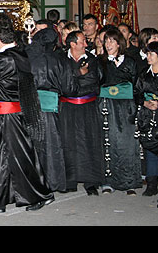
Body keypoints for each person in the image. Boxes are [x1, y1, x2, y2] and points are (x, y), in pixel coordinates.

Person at [0, 24, 54, 212]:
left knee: (5, 155)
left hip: (3, 114)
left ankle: (38, 195)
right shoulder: (19, 55)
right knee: (3, 156)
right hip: (12, 112)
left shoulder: (1, 59)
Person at [26, 26, 75, 193]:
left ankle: (32, 183)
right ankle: (53, 182)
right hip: (52, 105)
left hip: (30, 106)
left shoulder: (28, 56)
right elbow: (69, 87)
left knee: (31, 145)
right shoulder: (60, 60)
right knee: (52, 145)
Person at [59, 31, 104, 195]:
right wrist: (79, 75)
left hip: (87, 107)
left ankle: (91, 181)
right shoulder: (61, 59)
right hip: (67, 108)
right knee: (67, 143)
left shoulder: (92, 60)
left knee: (89, 143)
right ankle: (70, 179)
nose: (86, 44)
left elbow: (94, 80)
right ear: (72, 44)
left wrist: (74, 82)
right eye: (83, 41)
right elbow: (61, 83)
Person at [98, 28, 141, 194]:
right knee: (108, 142)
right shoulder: (100, 61)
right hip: (107, 105)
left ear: (119, 43)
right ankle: (107, 180)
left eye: (111, 41)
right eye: (106, 41)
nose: (108, 44)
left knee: (127, 143)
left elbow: (136, 84)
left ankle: (128, 181)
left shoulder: (130, 61)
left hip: (126, 106)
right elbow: (99, 81)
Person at [134, 40, 158, 197]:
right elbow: (136, 92)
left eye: (151, 53)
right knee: (149, 148)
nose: (148, 57)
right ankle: (151, 183)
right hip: (147, 116)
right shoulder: (144, 74)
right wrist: (144, 102)